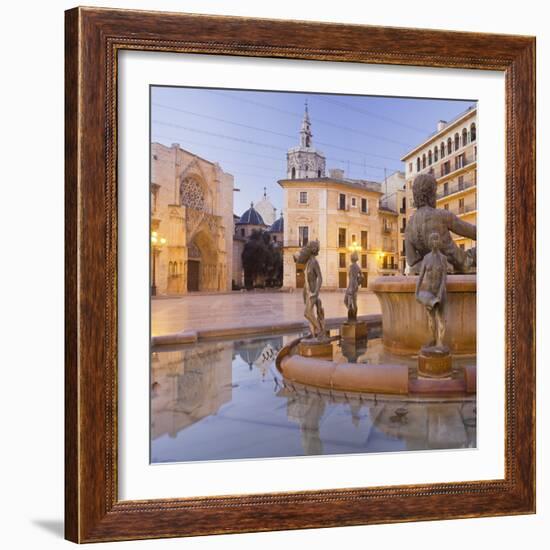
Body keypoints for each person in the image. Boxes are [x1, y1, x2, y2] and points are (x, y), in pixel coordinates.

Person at [405, 173, 476, 274]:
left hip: (435, 269)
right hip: (464, 262)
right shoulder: (442, 215)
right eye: (435, 192)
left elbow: (412, 261)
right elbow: (473, 232)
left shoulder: (409, 226)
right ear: (431, 194)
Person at [415, 232, 448, 350]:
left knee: (440, 317)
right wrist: (417, 291)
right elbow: (421, 276)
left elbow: (444, 277)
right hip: (429, 293)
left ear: (439, 242)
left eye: (436, 239)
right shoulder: (426, 258)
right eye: (432, 239)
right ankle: (432, 339)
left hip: (440, 292)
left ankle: (440, 342)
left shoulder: (443, 259)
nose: (435, 241)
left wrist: (440, 292)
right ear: (430, 242)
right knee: (430, 317)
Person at [293, 240, 326, 341]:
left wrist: (316, 292)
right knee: (309, 312)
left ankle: (320, 331)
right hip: (307, 291)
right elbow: (297, 258)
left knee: (307, 313)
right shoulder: (308, 263)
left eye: (308, 247)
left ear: (312, 250)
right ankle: (314, 333)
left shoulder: (315, 262)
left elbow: (320, 278)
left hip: (312, 291)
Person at [344, 251, 364, 322]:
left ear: (352, 258)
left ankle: (351, 318)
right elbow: (362, 276)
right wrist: (358, 283)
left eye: (350, 256)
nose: (350, 258)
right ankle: (353, 316)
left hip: (351, 286)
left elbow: (352, 278)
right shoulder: (358, 267)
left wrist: (351, 289)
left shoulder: (352, 266)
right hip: (354, 285)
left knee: (348, 302)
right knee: (353, 302)